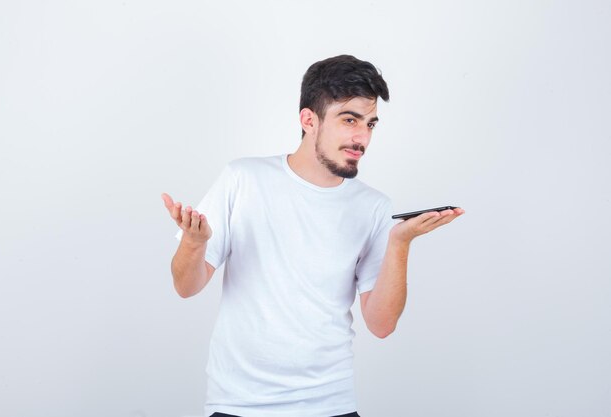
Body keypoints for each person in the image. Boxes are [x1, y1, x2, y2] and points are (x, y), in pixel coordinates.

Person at [161, 55, 464, 417]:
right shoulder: (243, 179)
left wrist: (400, 243)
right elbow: (186, 286)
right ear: (309, 120)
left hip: (330, 405)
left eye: (370, 124)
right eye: (349, 119)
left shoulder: (373, 207)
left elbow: (381, 325)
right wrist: (194, 244)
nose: (361, 137)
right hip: (240, 404)